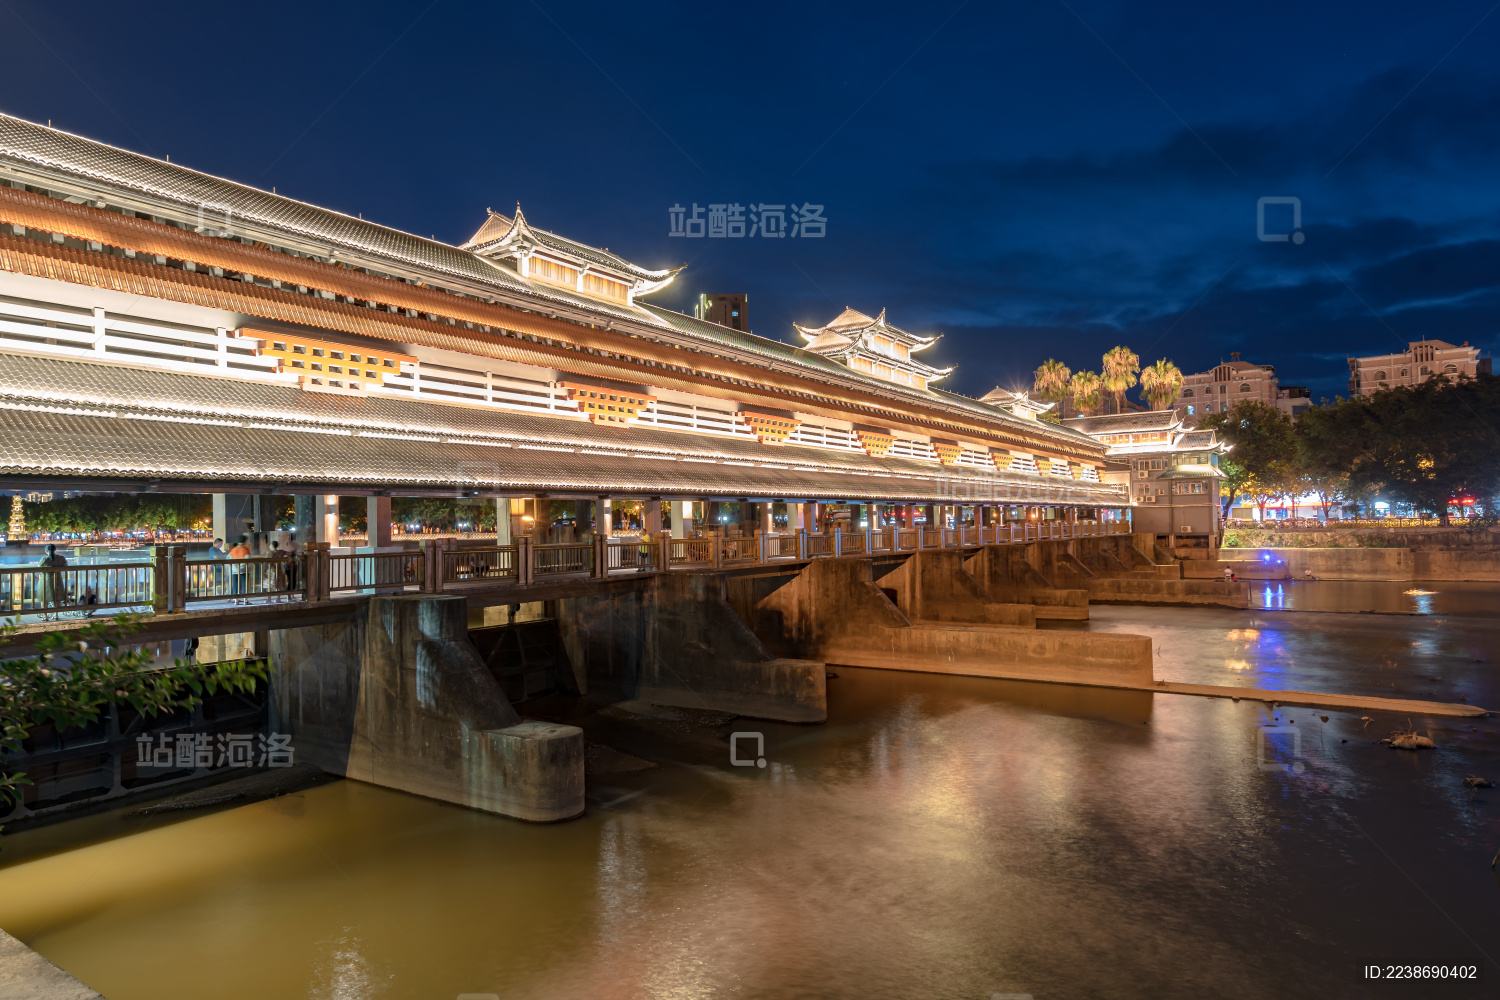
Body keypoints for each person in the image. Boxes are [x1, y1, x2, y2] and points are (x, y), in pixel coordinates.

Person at [37, 543, 69, 619]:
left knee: (44, 598)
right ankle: (56, 615)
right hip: (57, 579)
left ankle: (45, 616)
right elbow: (66, 566)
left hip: (46, 580)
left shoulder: (44, 559)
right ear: (55, 550)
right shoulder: (61, 558)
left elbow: (39, 568)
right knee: (57, 597)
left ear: (46, 551)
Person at [228, 534, 251, 604]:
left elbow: (230, 559)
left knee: (235, 585)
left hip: (234, 570)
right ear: (244, 542)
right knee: (244, 585)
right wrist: (241, 566)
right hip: (244, 570)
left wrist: (236, 567)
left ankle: (236, 600)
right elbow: (247, 559)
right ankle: (245, 600)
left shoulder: (233, 550)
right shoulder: (246, 550)